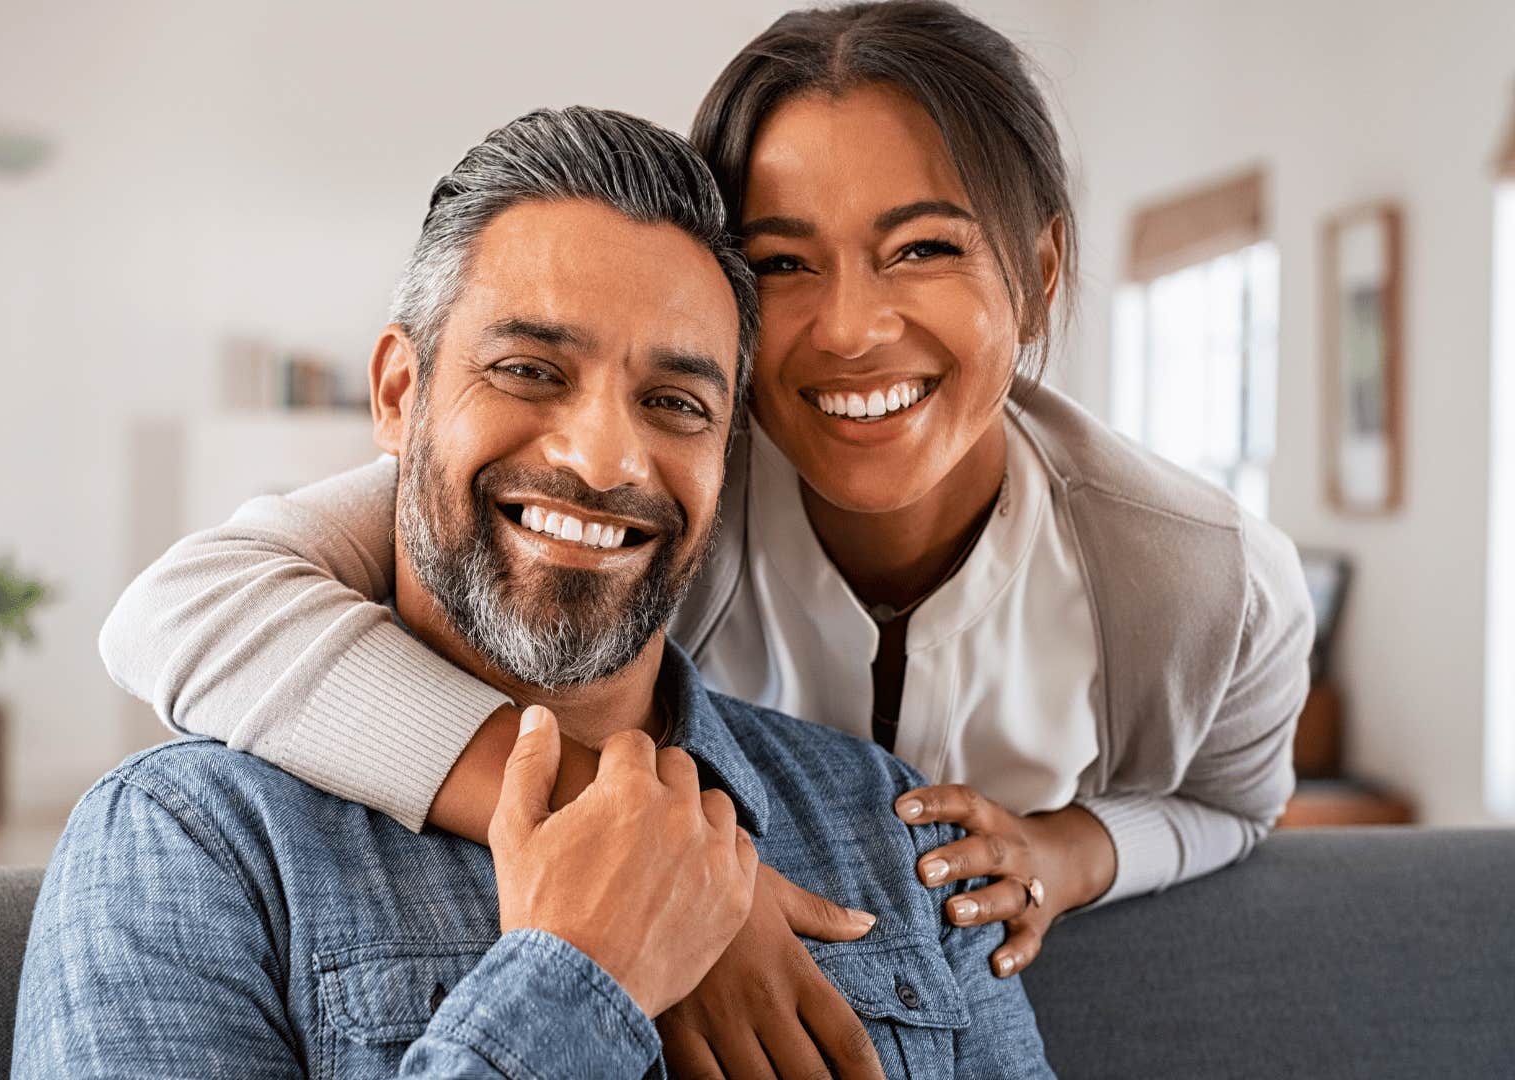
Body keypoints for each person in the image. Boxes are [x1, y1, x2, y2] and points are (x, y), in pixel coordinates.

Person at [101, 2, 1313, 1076]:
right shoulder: (664, 472)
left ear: (1040, 274)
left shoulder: (1196, 576)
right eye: (783, 262)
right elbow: (187, 606)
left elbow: (1238, 803)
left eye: (925, 247)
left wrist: (1073, 851)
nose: (849, 329)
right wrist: (644, 863)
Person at [15, 105, 1051, 1078]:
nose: (605, 459)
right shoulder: (188, 845)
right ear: (398, 393)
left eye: (674, 402)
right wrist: (574, 979)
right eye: (528, 371)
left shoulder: (889, 823)